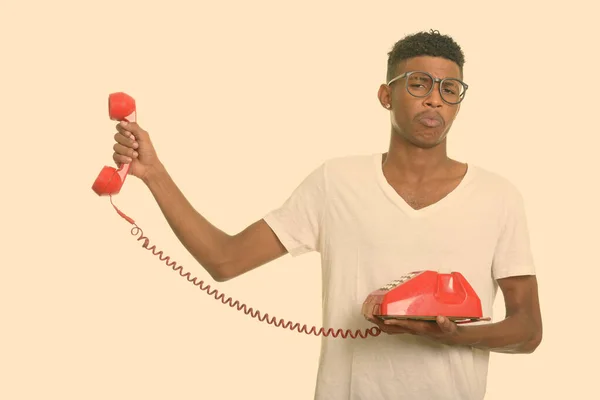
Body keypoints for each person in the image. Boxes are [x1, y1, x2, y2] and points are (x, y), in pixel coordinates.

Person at [110, 29, 543, 400]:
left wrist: (453, 335)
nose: (434, 99)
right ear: (385, 95)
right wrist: (154, 174)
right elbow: (225, 259)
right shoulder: (335, 181)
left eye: (449, 89)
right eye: (417, 83)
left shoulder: (498, 196)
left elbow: (528, 330)